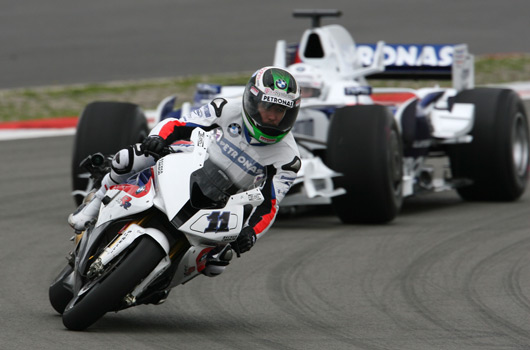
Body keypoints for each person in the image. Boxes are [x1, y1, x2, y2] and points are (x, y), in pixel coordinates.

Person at [68, 66, 302, 273]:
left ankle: (162, 279)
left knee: (216, 264)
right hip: (192, 163)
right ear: (253, 102)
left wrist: (251, 233)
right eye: (267, 107)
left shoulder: (288, 158)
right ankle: (95, 204)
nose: (273, 116)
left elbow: (270, 204)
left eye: (281, 111)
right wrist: (157, 138)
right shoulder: (225, 108)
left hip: (225, 201)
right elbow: (180, 125)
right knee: (128, 159)